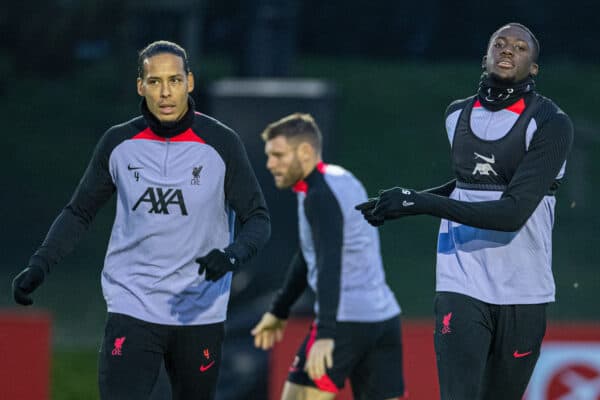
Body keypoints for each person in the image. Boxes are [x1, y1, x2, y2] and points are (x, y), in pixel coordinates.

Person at [11, 40, 270, 400]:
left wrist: (231, 256)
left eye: (175, 80)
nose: (165, 92)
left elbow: (258, 218)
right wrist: (40, 264)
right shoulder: (118, 144)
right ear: (140, 86)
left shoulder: (221, 145)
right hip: (132, 305)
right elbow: (79, 211)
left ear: (190, 82)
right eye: (155, 81)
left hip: (198, 311)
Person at [356, 23, 574, 400]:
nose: (508, 50)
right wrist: (403, 204)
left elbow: (511, 213)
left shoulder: (552, 124)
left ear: (534, 67)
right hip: (461, 278)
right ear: (485, 57)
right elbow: (468, 187)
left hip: (524, 288)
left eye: (520, 48)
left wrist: (417, 201)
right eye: (500, 44)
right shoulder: (455, 115)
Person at [251, 113, 405, 400]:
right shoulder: (340, 178)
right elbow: (312, 253)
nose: (270, 164)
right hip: (383, 319)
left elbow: (329, 260)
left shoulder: (318, 195)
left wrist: (325, 333)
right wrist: (281, 308)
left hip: (344, 322)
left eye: (278, 155)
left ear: (306, 151)